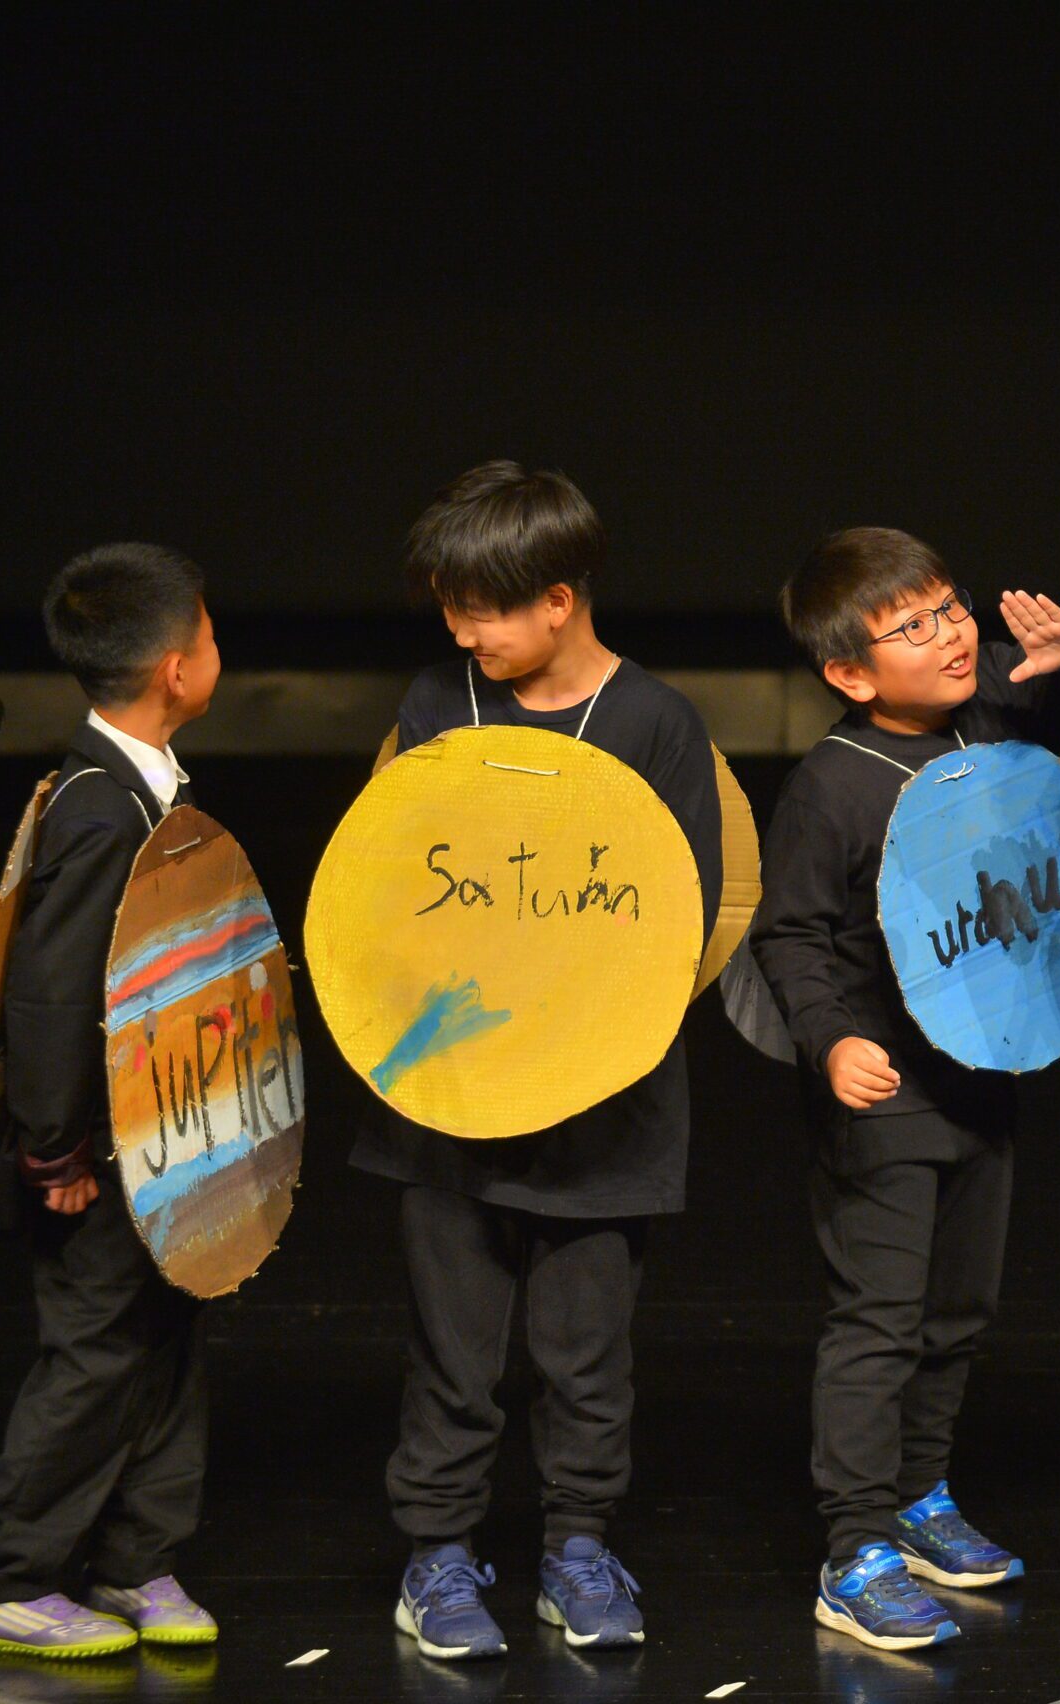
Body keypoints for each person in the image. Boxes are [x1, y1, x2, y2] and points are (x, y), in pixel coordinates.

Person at [347, 461, 723, 1659]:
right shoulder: (436, 703)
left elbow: (682, 912)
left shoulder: (655, 722)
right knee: (454, 1353)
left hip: (601, 1107)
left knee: (584, 1354)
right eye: (451, 608)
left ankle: (576, 1548)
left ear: (558, 599)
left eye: (484, 607)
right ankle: (441, 1556)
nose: (463, 630)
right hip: (450, 1096)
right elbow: (392, 885)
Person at [750, 527, 1060, 1651]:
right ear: (850, 673)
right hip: (884, 1092)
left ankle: (920, 1499)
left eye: (952, 608)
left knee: (957, 1314)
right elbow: (791, 936)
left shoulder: (994, 723)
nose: (951, 634)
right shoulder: (835, 783)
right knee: (880, 1319)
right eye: (910, 627)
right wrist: (827, 1044)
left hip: (984, 1075)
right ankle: (854, 1543)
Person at [0, 544, 226, 1657]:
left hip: (165, 1142)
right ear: (173, 667)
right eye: (206, 635)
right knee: (97, 1348)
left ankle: (134, 1557)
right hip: (98, 1156)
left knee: (165, 1335)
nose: (214, 653)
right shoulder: (101, 806)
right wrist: (54, 1151)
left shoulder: (143, 787)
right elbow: (53, 993)